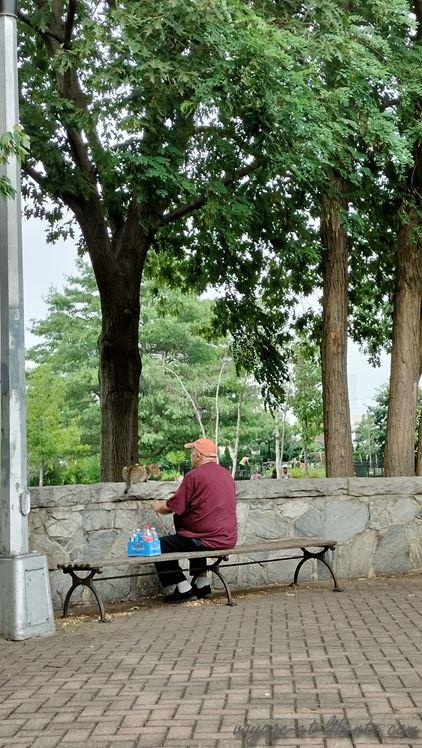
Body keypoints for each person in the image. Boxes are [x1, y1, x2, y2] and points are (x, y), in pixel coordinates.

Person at [152, 437, 237, 604]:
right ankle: (202, 584)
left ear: (198, 455)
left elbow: (174, 505)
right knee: (193, 534)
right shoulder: (226, 475)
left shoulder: (194, 476)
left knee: (158, 546)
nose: (190, 457)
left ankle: (183, 588)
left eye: (191, 454)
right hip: (227, 538)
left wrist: (158, 507)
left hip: (204, 539)